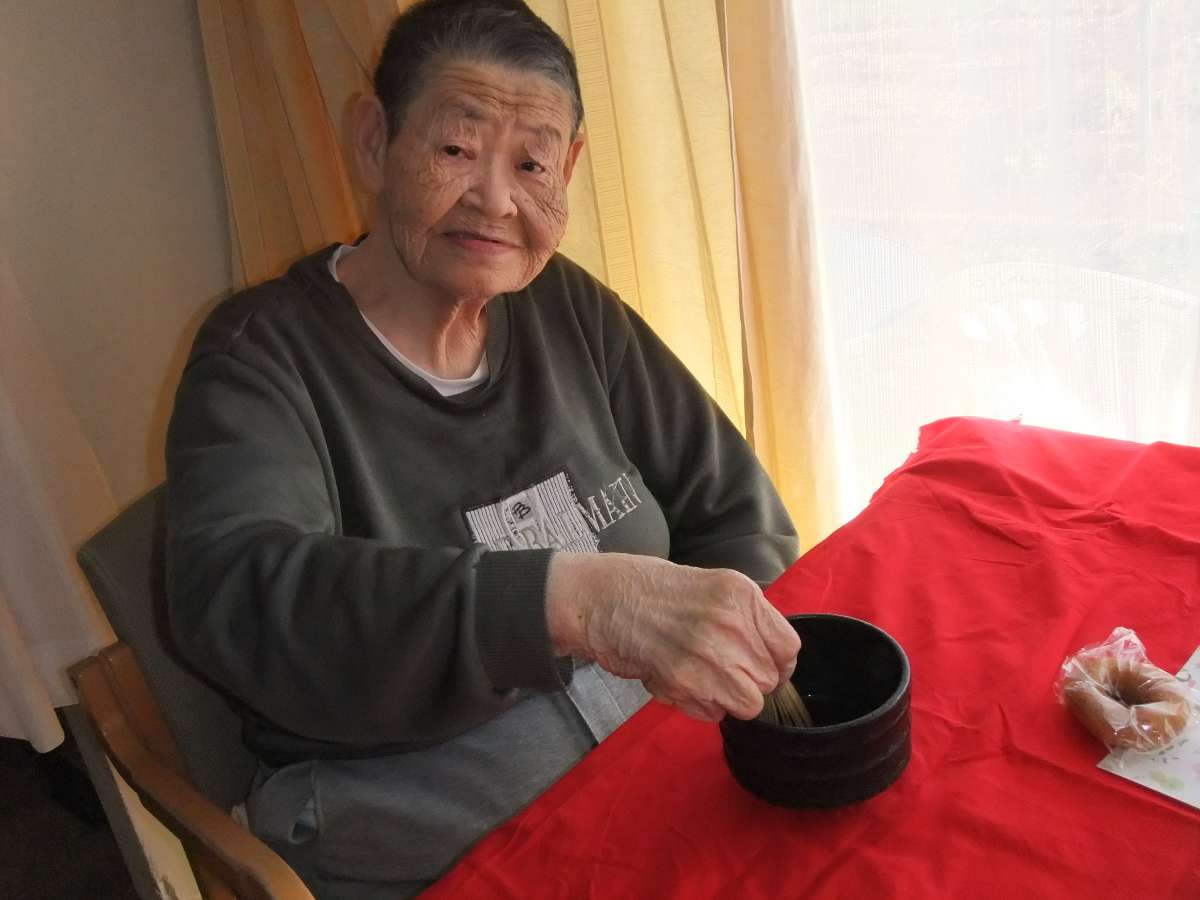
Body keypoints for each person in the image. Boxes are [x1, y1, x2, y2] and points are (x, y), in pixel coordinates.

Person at [165, 0, 801, 895]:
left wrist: (729, 668)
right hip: (408, 785)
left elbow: (736, 511)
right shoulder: (260, 357)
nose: (496, 200)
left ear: (568, 168)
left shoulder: (564, 304)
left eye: (531, 163)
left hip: (640, 743)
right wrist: (571, 600)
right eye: (456, 149)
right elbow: (239, 596)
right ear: (374, 141)